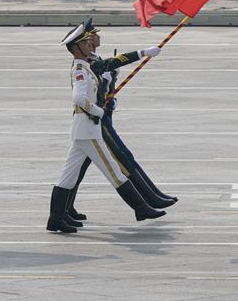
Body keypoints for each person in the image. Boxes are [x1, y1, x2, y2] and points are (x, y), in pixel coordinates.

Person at [47, 19, 166, 233]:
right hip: (89, 130)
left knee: (68, 176)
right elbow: (79, 99)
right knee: (114, 171)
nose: (90, 45)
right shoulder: (80, 70)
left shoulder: (86, 65)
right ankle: (141, 208)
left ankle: (56, 220)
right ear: (77, 47)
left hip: (83, 131)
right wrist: (98, 111)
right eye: (86, 42)